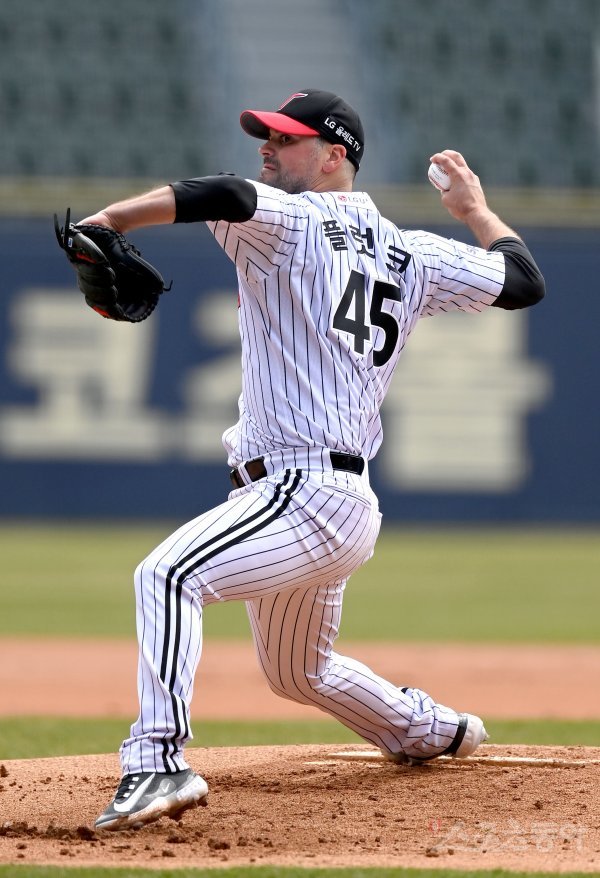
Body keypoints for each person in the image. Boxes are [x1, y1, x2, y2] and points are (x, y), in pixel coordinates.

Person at [84, 89, 544, 831]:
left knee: (167, 575)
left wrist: (111, 220)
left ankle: (157, 762)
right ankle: (430, 730)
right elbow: (522, 281)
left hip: (302, 492)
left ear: (335, 157)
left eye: (286, 139)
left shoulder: (289, 221)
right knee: (300, 671)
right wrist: (475, 212)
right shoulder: (413, 252)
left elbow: (226, 194)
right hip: (333, 501)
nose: (267, 148)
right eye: (266, 135)